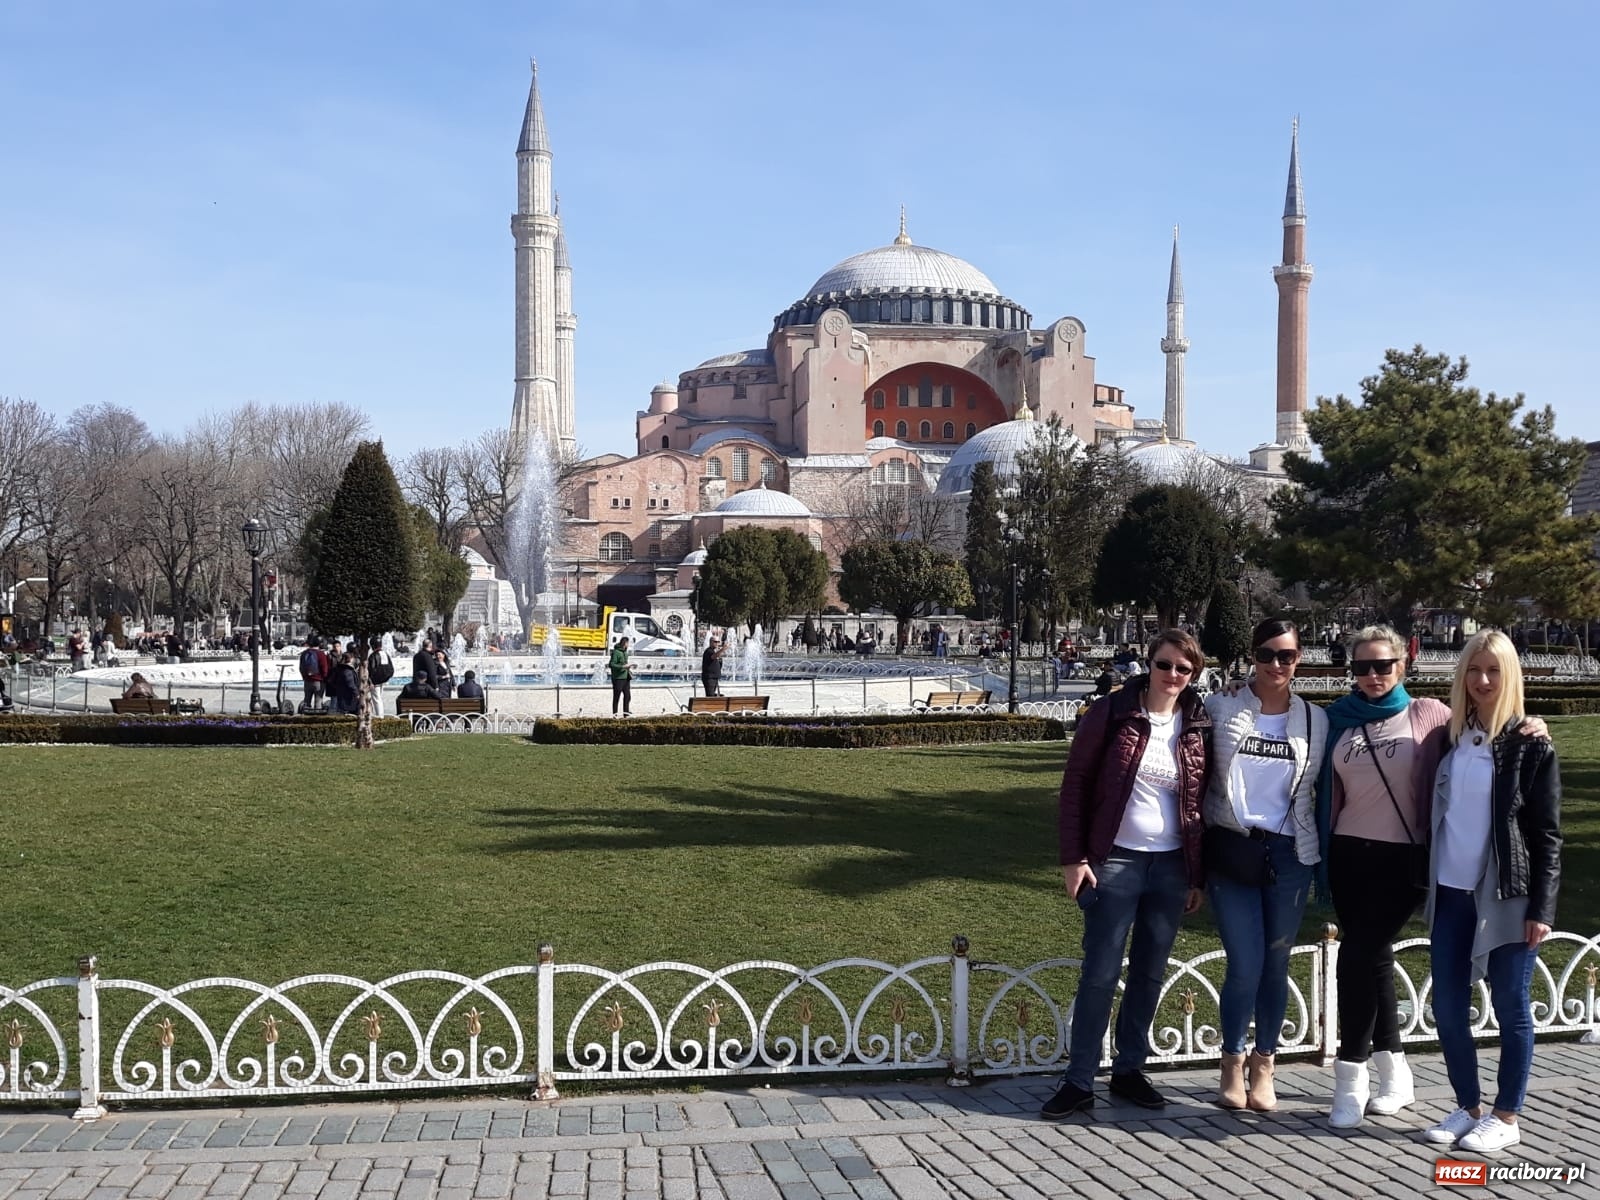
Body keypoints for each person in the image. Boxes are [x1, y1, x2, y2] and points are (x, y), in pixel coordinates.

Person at [1043, 630, 1211, 1118]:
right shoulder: (1113, 712)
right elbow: (1075, 785)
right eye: (1165, 665)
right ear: (1149, 664)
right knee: (1100, 972)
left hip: (1172, 865)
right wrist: (1074, 859)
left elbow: (1201, 801)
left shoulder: (1197, 723)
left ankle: (1129, 1069)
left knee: (1149, 972)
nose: (1173, 676)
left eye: (1184, 669)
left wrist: (1196, 875)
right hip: (1115, 860)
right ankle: (1078, 1080)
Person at [1421, 630, 1561, 1154]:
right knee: (1451, 1008)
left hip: (1506, 896)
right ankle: (1468, 1106)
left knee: (1510, 1004)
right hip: (1451, 893)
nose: (1482, 680)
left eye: (1493, 671)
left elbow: (1547, 833)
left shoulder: (1530, 743)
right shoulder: (1451, 737)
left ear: (1510, 676)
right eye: (1473, 670)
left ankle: (1506, 1115)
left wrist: (1542, 907)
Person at [1202, 618, 1327, 1111]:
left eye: (1287, 656)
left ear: (1299, 659)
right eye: (1266, 655)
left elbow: (1382, 717)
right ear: (1251, 656)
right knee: (1245, 962)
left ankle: (1264, 1064)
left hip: (1290, 854)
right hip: (1233, 849)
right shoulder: (1222, 706)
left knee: (1276, 963)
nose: (1276, 665)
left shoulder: (1317, 720)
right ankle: (1231, 1061)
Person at [298, 637, 329, 711]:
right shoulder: (320, 654)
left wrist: (304, 677)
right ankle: (316, 719)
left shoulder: (304, 653)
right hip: (318, 681)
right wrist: (325, 678)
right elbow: (324, 668)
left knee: (307, 701)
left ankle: (305, 717)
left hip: (307, 681)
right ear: (319, 644)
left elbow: (301, 667)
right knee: (318, 701)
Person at [609, 636, 632, 716]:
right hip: (618, 678)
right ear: (625, 643)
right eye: (628, 643)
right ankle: (614, 714)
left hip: (626, 678)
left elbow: (624, 663)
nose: (628, 644)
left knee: (628, 696)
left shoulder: (625, 652)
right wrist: (622, 667)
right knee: (616, 697)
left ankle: (626, 713)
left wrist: (628, 669)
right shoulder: (616, 652)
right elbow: (611, 664)